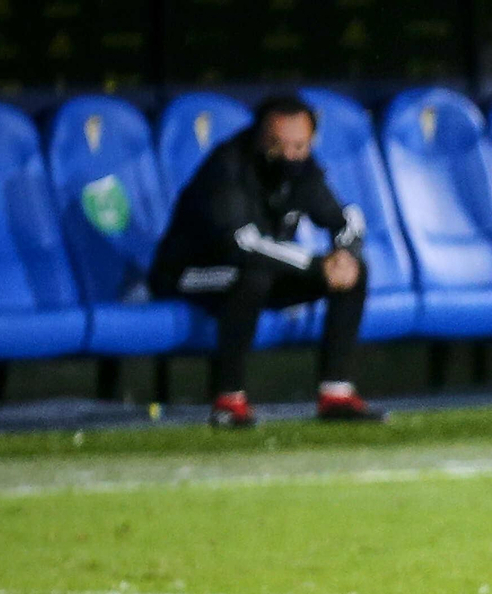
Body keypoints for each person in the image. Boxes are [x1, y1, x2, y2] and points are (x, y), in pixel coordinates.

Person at [150, 94, 383, 428]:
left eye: (299, 146)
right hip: (187, 275)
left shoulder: (305, 171)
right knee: (251, 276)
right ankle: (229, 400)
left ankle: (336, 395)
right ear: (260, 136)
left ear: (311, 142)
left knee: (353, 274)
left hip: (258, 273)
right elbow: (243, 243)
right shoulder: (227, 166)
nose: (289, 156)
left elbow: (344, 219)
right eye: (278, 145)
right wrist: (318, 264)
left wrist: (346, 255)